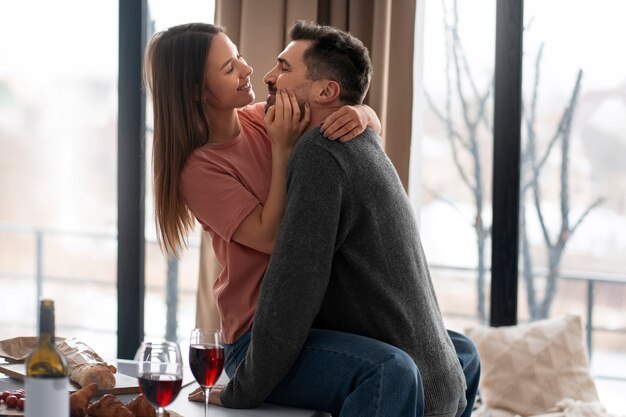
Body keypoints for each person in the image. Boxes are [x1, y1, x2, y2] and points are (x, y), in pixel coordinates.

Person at [215, 20, 480, 417]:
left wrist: (242, 390)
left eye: (284, 68)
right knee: (463, 348)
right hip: (445, 386)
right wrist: (364, 113)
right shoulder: (364, 142)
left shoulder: (320, 154)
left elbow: (294, 288)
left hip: (409, 388)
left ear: (326, 91)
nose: (268, 76)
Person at [144, 22, 381, 352]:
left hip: (312, 316)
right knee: (391, 369)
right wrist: (281, 148)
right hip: (256, 334)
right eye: (230, 67)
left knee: (461, 352)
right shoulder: (199, 171)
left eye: (238, 55)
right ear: (196, 90)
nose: (248, 68)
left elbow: (331, 109)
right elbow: (272, 239)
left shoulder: (262, 117)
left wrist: (364, 113)